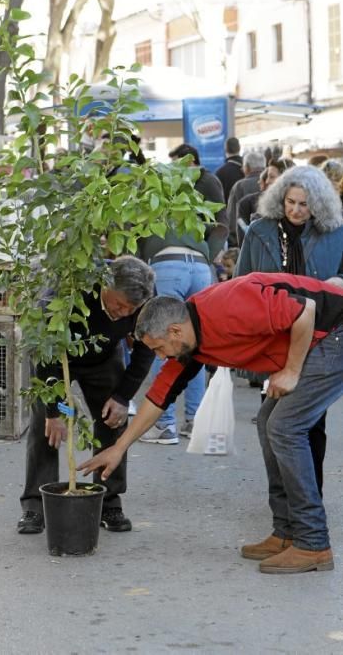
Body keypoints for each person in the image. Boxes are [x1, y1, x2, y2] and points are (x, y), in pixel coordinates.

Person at [78, 272, 343, 574]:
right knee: (268, 422)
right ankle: (286, 533)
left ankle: (313, 543)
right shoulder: (189, 341)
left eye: (158, 348)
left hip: (335, 331)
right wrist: (119, 448)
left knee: (284, 427)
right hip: (315, 340)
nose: (159, 356)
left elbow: (305, 310)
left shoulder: (227, 307)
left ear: (175, 332)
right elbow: (158, 397)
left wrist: (292, 371)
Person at [17, 255, 155, 535]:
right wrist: (55, 411)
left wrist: (123, 396)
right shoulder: (69, 287)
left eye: (132, 309)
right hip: (57, 356)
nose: (125, 313)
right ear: (105, 285)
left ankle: (109, 500)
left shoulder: (146, 299)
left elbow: (145, 351)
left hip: (105, 357)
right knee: (46, 426)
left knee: (113, 421)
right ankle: (34, 505)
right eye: (118, 304)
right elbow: (45, 352)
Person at [235, 164, 343, 495]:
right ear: (280, 198)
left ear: (318, 205)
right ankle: (285, 498)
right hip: (273, 334)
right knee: (274, 420)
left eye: (304, 204)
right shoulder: (259, 231)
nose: (295, 210)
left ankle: (311, 495)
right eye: (290, 202)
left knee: (311, 423)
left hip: (320, 335)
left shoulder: (334, 232)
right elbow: (242, 282)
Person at [135, 143, 227, 444]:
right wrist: (208, 257)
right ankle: (194, 420)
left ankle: (164, 426)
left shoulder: (151, 198)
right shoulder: (192, 199)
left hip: (166, 264)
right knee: (195, 345)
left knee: (165, 342)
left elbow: (132, 239)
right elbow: (221, 229)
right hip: (200, 267)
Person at [236, 158, 295, 246]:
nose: (267, 181)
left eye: (271, 177)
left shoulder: (301, 211)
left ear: (285, 179)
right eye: (267, 176)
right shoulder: (255, 209)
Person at [226, 151, 266, 247]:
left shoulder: (239, 186)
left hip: (244, 241)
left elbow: (232, 218)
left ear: (247, 168)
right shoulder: (271, 184)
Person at [215, 137, 244, 203]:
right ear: (239, 148)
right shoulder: (249, 168)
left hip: (229, 211)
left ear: (225, 149)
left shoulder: (220, 172)